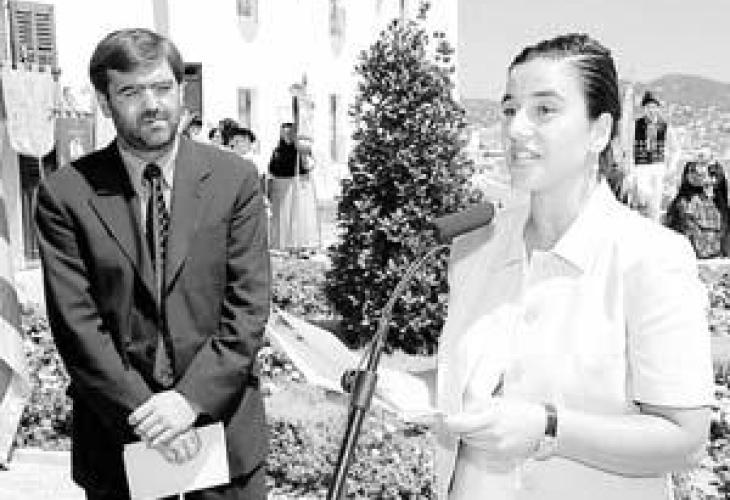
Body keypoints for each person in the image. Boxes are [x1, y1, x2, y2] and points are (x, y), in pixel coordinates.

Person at [434, 33, 712, 499]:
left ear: (599, 132)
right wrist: (381, 383)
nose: (516, 129)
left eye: (544, 109)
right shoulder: (476, 246)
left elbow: (684, 439)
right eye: (509, 110)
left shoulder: (651, 256)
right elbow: (469, 380)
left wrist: (548, 427)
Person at [35, 28, 270, 500]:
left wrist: (189, 402)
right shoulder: (66, 194)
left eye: (163, 88)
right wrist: (147, 415)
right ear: (104, 102)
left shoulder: (235, 180)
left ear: (181, 91)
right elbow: (76, 325)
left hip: (222, 434)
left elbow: (247, 307)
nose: (152, 105)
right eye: (130, 92)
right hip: (120, 438)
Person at [267, 123, 320, 252]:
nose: (287, 136)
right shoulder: (277, 151)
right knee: (283, 217)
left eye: (289, 133)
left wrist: (304, 157)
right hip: (281, 187)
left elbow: (311, 164)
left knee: (299, 215)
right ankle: (282, 243)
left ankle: (299, 243)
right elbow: (272, 169)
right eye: (284, 133)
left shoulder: (301, 149)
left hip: (297, 185)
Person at [631, 91, 680, 220]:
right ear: (644, 109)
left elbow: (675, 149)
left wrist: (671, 166)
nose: (651, 110)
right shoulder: (635, 125)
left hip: (658, 166)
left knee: (655, 203)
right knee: (642, 198)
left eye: (653, 107)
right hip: (640, 167)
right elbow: (628, 148)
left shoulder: (665, 126)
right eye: (648, 107)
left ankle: (654, 225)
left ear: (658, 108)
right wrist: (631, 168)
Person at [665, 159, 729, 258]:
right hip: (691, 257)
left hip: (717, 258)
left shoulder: (720, 205)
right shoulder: (683, 204)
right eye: (692, 171)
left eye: (713, 174)